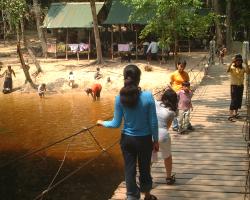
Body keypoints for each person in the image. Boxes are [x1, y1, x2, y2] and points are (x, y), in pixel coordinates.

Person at [97, 64, 159, 200]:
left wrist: (102, 122)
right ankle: (147, 195)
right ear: (139, 79)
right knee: (145, 168)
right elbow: (153, 122)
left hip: (127, 141)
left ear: (125, 78)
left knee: (129, 169)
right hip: (145, 140)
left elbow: (115, 123)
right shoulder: (148, 97)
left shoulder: (119, 98)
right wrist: (156, 140)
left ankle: (131, 196)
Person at [152, 88, 177, 185]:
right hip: (163, 134)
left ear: (164, 97)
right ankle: (168, 178)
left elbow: (151, 97)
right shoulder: (172, 112)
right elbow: (167, 126)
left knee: (150, 158)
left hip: (151, 133)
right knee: (167, 156)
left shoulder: (155, 103)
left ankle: (147, 179)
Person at [227, 54, 249, 122]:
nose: (238, 62)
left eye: (240, 61)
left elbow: (248, 72)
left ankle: (235, 114)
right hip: (234, 86)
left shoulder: (243, 68)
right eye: (237, 61)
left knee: (239, 100)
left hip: (241, 86)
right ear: (235, 61)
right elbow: (227, 70)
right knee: (234, 100)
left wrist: (247, 64)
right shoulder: (232, 67)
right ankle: (230, 115)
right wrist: (231, 62)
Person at [169, 60, 190, 131]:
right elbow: (171, 83)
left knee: (185, 109)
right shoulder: (173, 74)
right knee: (175, 109)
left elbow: (188, 84)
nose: (182, 68)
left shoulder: (186, 74)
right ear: (177, 65)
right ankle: (175, 125)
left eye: (183, 67)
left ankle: (187, 124)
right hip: (175, 94)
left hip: (184, 94)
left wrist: (189, 94)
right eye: (181, 66)